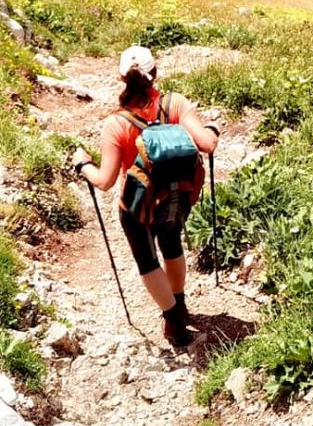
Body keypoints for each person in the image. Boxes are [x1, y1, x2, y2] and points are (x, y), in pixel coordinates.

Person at [71, 46, 218, 348]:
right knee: (172, 244)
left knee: (148, 261)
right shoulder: (175, 104)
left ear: (121, 78)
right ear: (156, 73)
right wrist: (212, 129)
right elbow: (207, 144)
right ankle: (180, 303)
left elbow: (105, 181)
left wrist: (83, 164)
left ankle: (174, 322)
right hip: (176, 197)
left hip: (137, 206)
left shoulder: (117, 124)